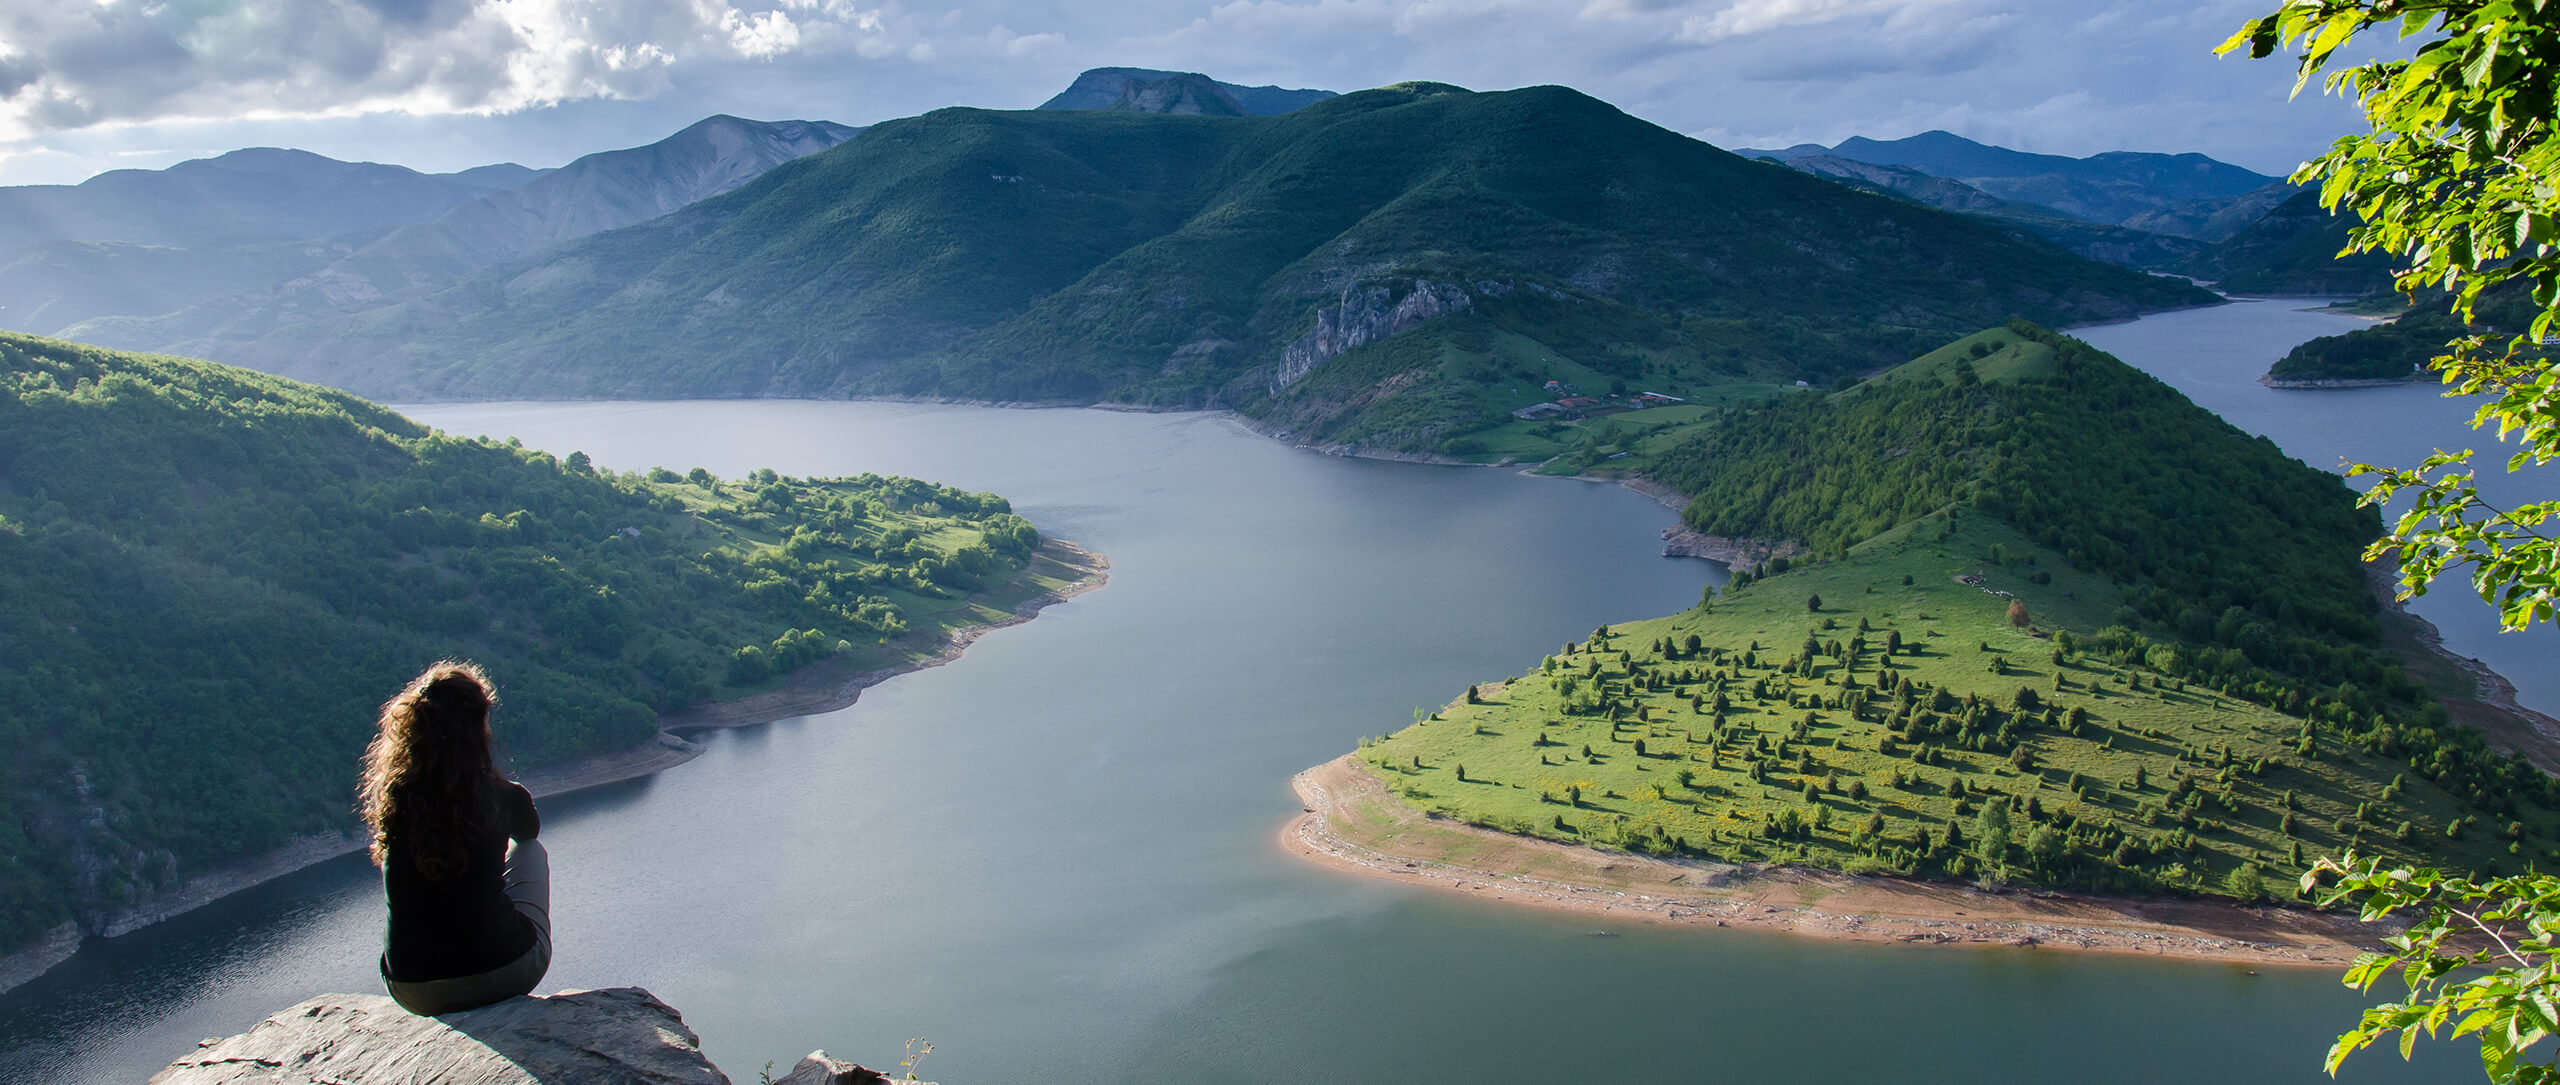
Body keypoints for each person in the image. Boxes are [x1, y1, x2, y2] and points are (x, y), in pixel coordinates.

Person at [357, 661, 551, 1015]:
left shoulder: (395, 800)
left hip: (412, 988)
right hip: (505, 972)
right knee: (531, 851)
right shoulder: (502, 795)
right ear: (478, 726)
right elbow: (528, 833)